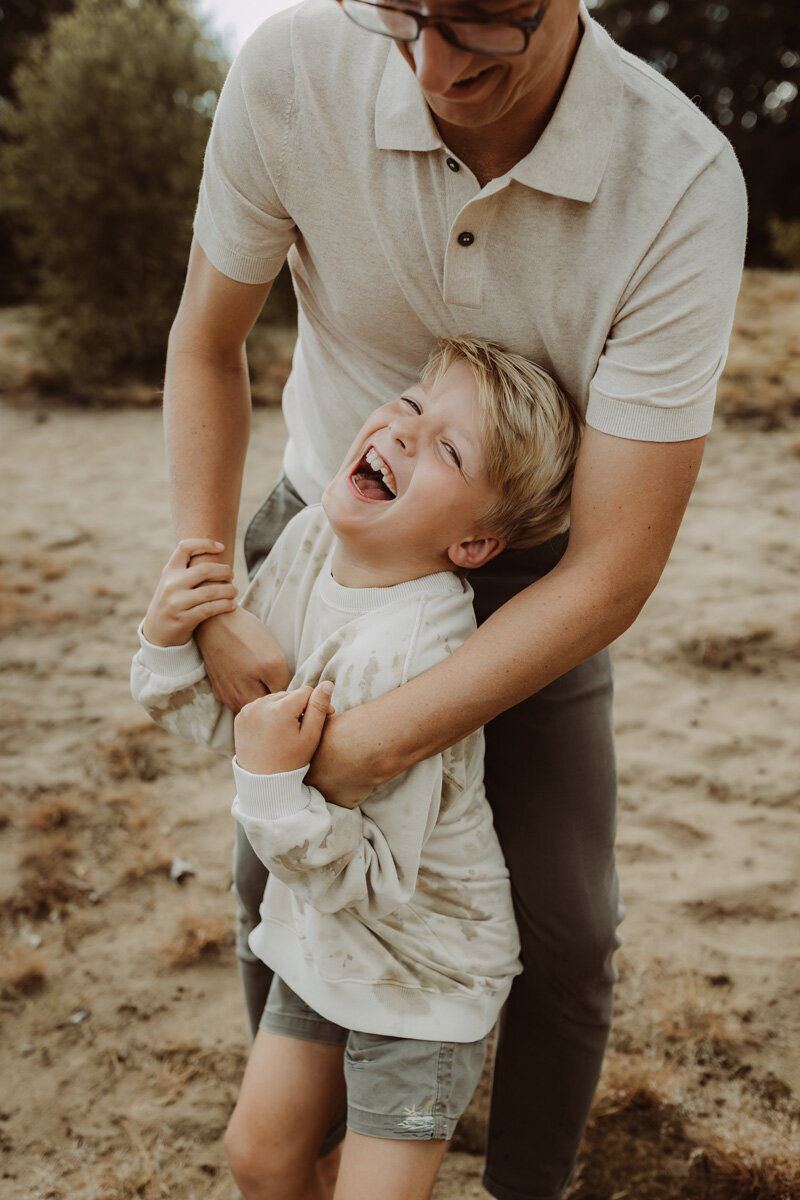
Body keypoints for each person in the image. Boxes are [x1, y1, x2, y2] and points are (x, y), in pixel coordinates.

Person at [162, 1, 747, 1195]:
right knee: (264, 880)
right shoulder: (291, 72)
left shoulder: (677, 177)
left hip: (541, 574)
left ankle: (522, 1180)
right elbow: (204, 344)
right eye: (399, 12)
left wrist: (371, 743)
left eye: (481, 23)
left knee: (568, 931)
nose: (429, 66)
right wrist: (209, 578)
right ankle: (304, 1157)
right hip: (326, 527)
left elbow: (613, 567)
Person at [133, 337, 583, 1200]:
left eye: (451, 449)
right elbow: (234, 723)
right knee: (261, 1159)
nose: (406, 433)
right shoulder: (305, 543)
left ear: (477, 545)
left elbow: (373, 878)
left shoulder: (412, 650)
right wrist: (166, 642)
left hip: (423, 971)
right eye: (412, 406)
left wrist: (267, 782)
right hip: (326, 939)